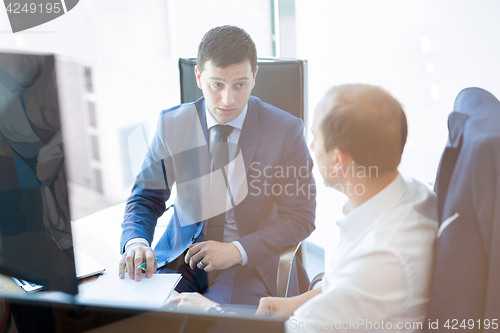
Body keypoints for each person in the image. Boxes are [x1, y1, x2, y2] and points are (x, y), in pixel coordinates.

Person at [168, 84, 438, 333]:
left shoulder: (381, 258)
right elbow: (347, 290)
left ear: (338, 158)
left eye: (315, 138)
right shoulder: (411, 194)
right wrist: (294, 302)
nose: (310, 146)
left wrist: (210, 312)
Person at [119, 25, 316, 306]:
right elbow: (145, 197)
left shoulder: (286, 131)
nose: (228, 99)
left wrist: (236, 250)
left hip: (247, 265)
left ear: (254, 76)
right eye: (217, 84)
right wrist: (136, 241)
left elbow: (300, 217)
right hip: (179, 258)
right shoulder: (172, 124)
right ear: (199, 77)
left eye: (240, 84)